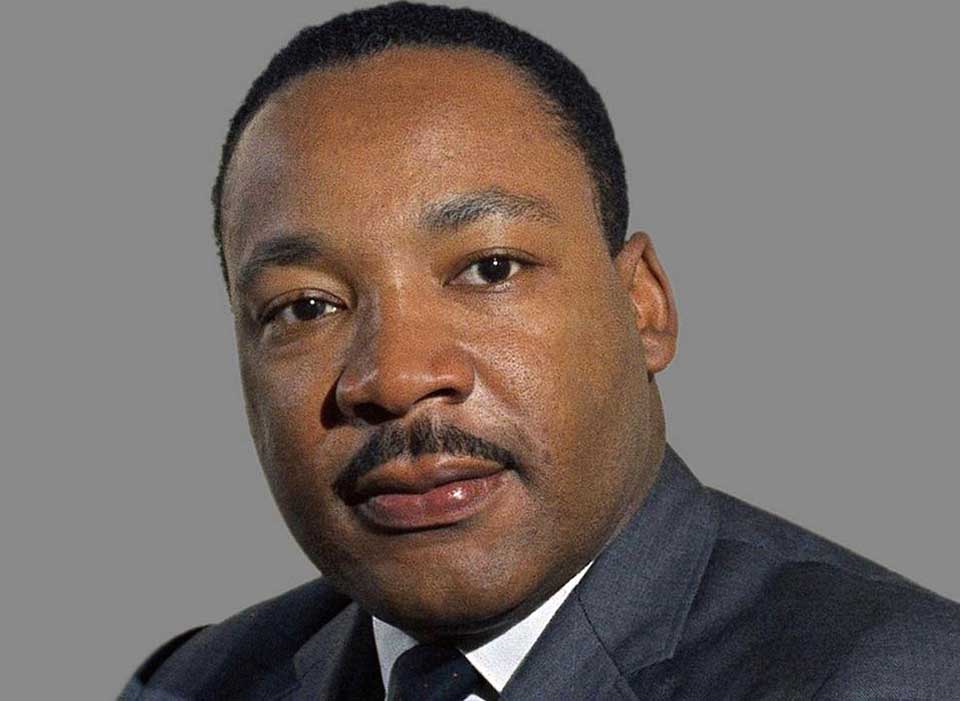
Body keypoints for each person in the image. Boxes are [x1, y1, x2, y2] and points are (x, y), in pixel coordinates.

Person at [121, 3, 960, 699]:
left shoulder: (898, 677)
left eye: (490, 268)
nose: (397, 377)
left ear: (642, 307)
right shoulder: (193, 683)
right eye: (306, 306)